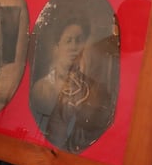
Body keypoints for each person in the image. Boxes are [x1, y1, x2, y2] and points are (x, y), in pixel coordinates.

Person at [30, 16, 113, 153]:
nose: (74, 47)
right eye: (68, 41)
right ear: (58, 46)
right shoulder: (42, 88)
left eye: (79, 40)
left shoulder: (94, 89)